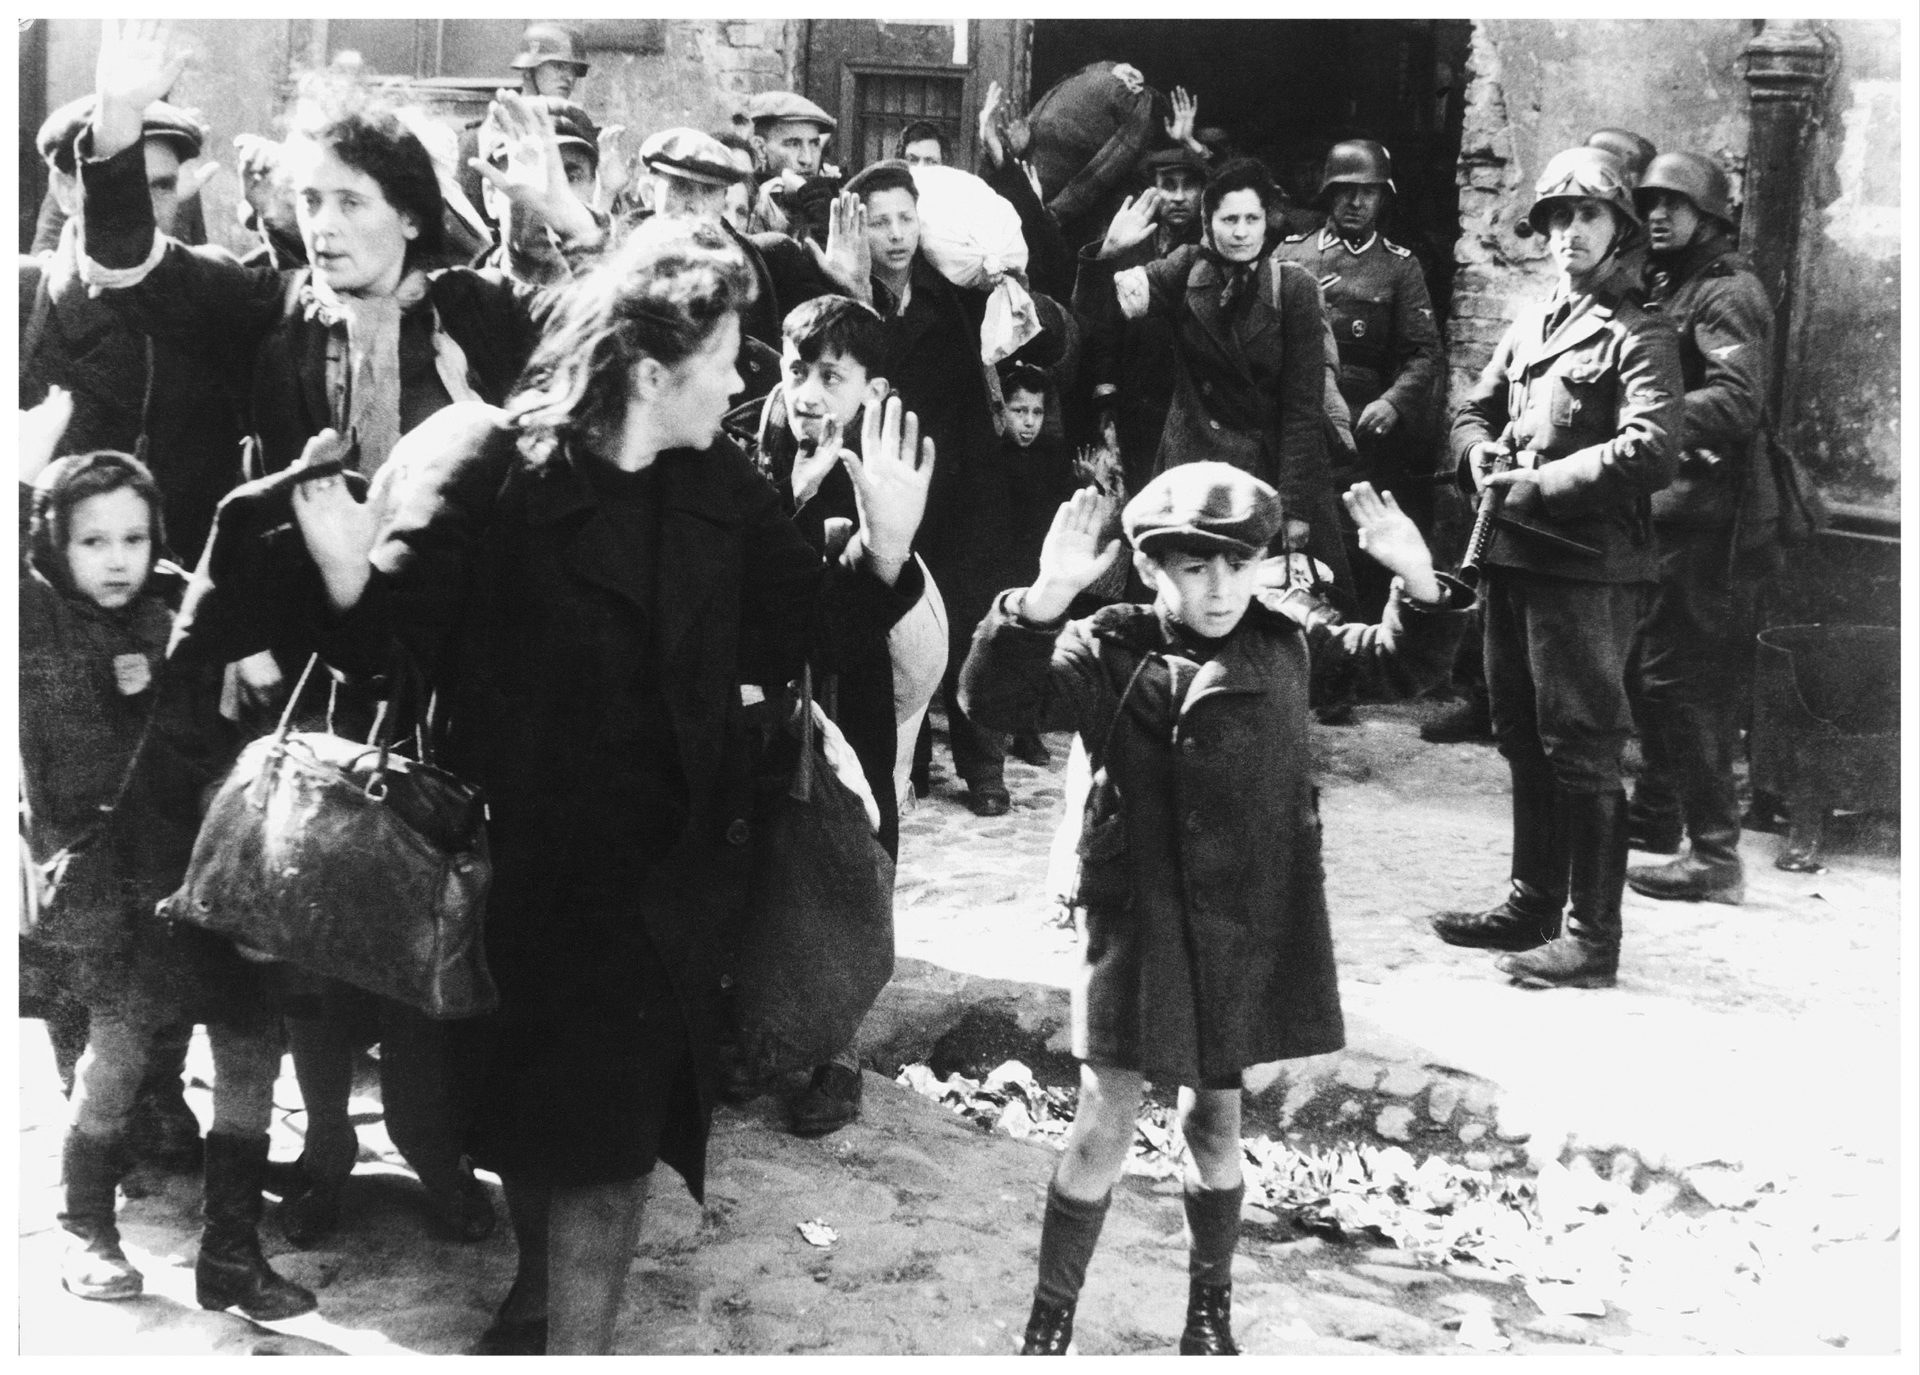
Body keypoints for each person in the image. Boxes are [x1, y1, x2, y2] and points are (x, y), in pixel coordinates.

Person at [289, 218, 934, 1355]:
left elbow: (797, 631)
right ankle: (539, 1293)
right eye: (729, 355)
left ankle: (573, 1337)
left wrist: (881, 553)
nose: (743, 380)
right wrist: (347, 579)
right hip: (510, 864)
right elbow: (389, 659)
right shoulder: (494, 468)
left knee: (612, 1134)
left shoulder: (718, 481)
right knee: (535, 1121)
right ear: (650, 372)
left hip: (662, 874)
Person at [958, 465, 1472, 1355]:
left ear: (1265, 564)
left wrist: (1418, 584)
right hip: (1136, 919)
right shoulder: (1104, 647)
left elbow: (1403, 663)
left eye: (1239, 564)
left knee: (1215, 1117)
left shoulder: (1290, 642)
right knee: (1102, 1119)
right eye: (1195, 567)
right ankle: (1048, 1324)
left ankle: (1210, 1315)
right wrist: (1040, 603)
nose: (1221, 587)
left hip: (1242, 920)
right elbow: (995, 700)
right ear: (1154, 568)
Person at [19, 418, 314, 1321]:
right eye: (92, 540)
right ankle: (85, 1227)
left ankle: (230, 1249)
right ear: (53, 545)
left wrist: (241, 651)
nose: (117, 559)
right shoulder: (34, 620)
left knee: (253, 1044)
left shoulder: (184, 607)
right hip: (115, 874)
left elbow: (237, 646)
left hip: (211, 864)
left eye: (135, 538)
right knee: (119, 1048)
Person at [1427, 146, 1682, 990]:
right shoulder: (1534, 322)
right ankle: (1531, 901)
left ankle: (1591, 936)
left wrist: (1541, 483)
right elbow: (1471, 407)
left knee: (1582, 744)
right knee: (1519, 733)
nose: (1569, 233)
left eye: (1588, 218)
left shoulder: (1638, 333)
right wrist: (1477, 461)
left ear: (1619, 234)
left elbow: (1651, 450)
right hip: (1512, 559)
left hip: (1588, 568)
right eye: (1557, 219)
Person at [747, 294, 949, 1136]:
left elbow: (885, 608)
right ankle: (758, 1031)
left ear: (871, 388)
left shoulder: (875, 470)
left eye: (832, 375)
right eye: (798, 370)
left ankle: (842, 1053)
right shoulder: (755, 456)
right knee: (766, 856)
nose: (809, 391)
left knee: (853, 854)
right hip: (767, 697)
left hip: (851, 691)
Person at [845, 158, 1068, 818]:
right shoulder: (850, 297)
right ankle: (904, 759)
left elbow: (1040, 335)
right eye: (879, 221)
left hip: (966, 482)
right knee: (894, 624)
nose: (895, 234)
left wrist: (1014, 289)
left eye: (905, 218)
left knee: (973, 617)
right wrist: (850, 289)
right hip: (889, 486)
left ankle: (982, 763)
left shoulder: (954, 290)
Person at [1073, 157, 1352, 593]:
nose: (1240, 232)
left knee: (1276, 603)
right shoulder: (1186, 268)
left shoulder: (1294, 287)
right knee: (1191, 598)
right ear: (1209, 222)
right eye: (1228, 219)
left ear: (1266, 223)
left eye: (1251, 219)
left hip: (1269, 467)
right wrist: (1108, 255)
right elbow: (1103, 313)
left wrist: (1295, 509)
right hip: (1193, 465)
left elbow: (1302, 408)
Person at [1622, 152, 1773, 905]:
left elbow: (1738, 400)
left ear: (1710, 217)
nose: (1656, 215)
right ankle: (1654, 817)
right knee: (1651, 669)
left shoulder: (1726, 292)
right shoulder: (1668, 281)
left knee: (1682, 681)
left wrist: (1648, 418)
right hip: (1671, 510)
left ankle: (1715, 855)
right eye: (1648, 202)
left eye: (1674, 205)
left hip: (1712, 519)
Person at [747, 90, 840, 237]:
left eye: (814, 144)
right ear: (760, 148)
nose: (807, 159)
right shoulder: (746, 202)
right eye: (793, 144)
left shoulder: (834, 196)